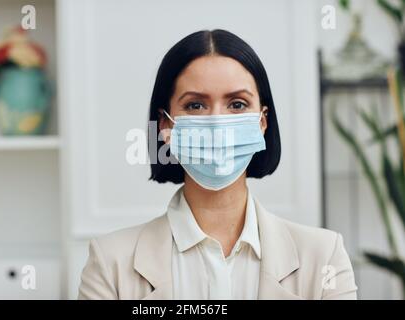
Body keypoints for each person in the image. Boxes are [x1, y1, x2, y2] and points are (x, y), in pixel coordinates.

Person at [78, 29, 357, 300]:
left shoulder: (324, 257)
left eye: (237, 104)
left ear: (262, 121)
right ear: (165, 125)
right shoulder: (110, 263)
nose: (216, 122)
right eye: (195, 105)